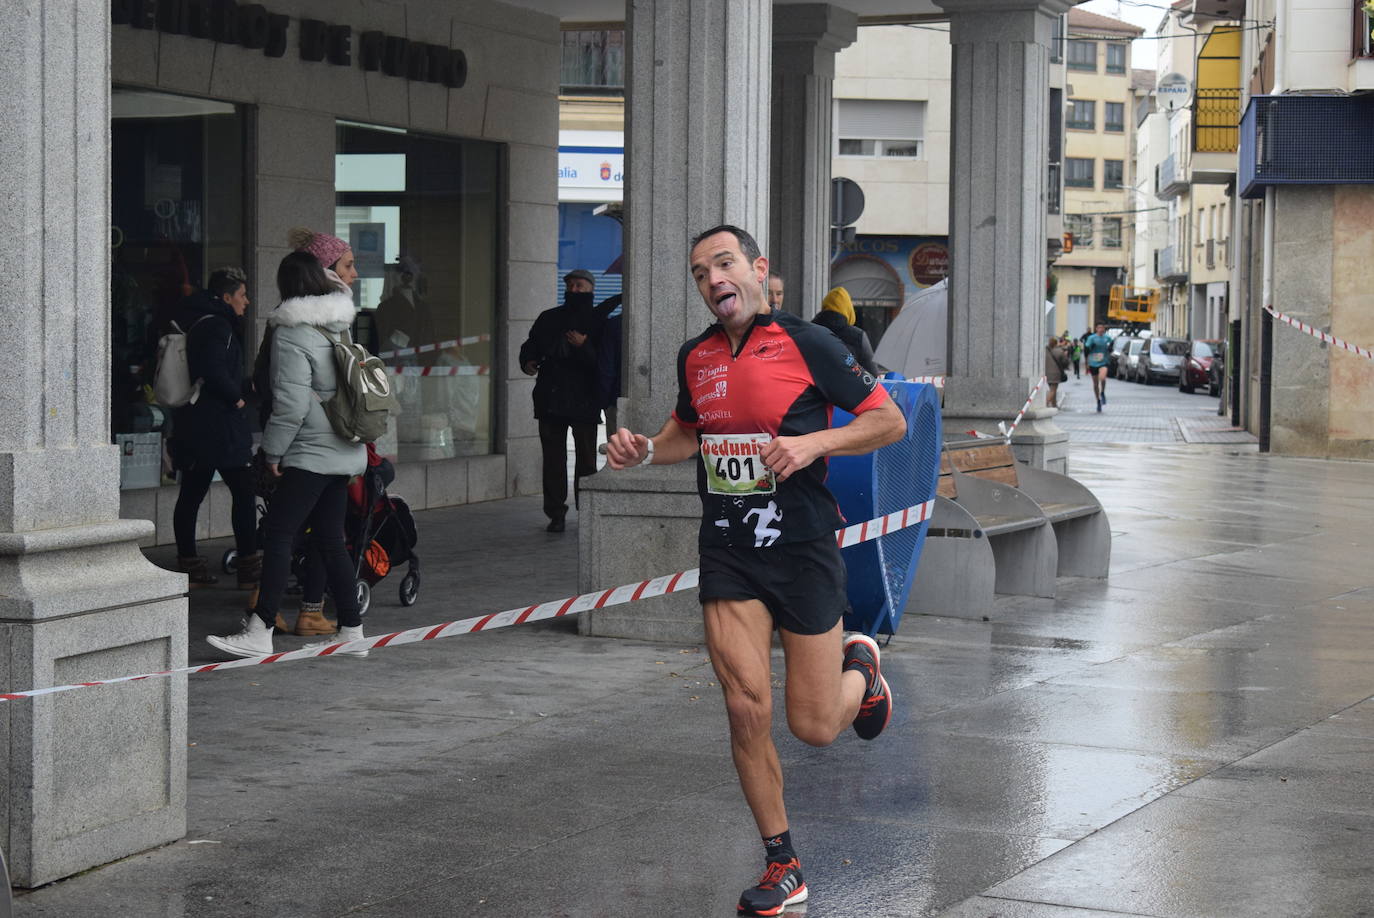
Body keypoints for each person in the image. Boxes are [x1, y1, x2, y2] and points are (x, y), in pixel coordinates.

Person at [604, 225, 906, 916]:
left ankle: (860, 671)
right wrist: (645, 450)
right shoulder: (696, 356)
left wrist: (813, 444)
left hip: (801, 549)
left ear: (756, 268)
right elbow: (690, 432)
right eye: (700, 272)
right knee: (744, 707)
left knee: (813, 726)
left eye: (724, 263)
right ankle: (784, 864)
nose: (713, 279)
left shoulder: (809, 344)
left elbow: (888, 421)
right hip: (729, 549)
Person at [206, 243, 369, 659]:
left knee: (279, 535)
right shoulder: (339, 325)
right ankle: (352, 629)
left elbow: (292, 404)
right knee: (332, 539)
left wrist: (273, 453)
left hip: (310, 452)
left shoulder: (293, 332)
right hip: (342, 448)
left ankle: (260, 629)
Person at [169, 267, 260, 588]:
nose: (246, 302)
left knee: (194, 492)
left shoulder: (202, 321)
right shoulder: (217, 326)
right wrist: (236, 398)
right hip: (218, 426)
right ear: (226, 297)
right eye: (242, 295)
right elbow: (213, 369)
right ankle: (248, 566)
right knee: (242, 492)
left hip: (199, 426)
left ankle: (190, 564)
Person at [519, 268, 603, 533]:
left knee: (586, 462)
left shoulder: (599, 321)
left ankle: (587, 511)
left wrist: (584, 346)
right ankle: (556, 513)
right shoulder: (549, 318)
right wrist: (528, 362)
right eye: (571, 285)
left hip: (584, 401)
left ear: (591, 289)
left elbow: (603, 363)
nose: (574, 290)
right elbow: (531, 345)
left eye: (580, 286)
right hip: (550, 399)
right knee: (553, 461)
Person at [813, 286, 879, 375]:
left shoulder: (809, 331)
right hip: (848, 388)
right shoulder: (857, 337)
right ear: (849, 310)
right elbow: (873, 375)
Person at [1084, 322, 1114, 413]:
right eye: (1099, 327)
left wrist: (1110, 348)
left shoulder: (1107, 338)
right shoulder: (1091, 338)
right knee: (1095, 384)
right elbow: (1086, 349)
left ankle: (1103, 392)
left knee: (1103, 377)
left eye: (1102, 328)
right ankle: (1098, 400)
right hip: (1093, 362)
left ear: (1104, 329)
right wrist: (1087, 363)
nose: (1101, 329)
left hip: (1103, 361)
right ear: (1096, 329)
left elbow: (1112, 344)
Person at [1045, 335, 1069, 408]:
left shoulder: (1045, 350)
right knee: (1053, 390)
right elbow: (1065, 362)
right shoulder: (1059, 351)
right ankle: (1045, 404)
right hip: (1056, 373)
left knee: (1052, 389)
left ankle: (1054, 405)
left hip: (1046, 373)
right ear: (1056, 343)